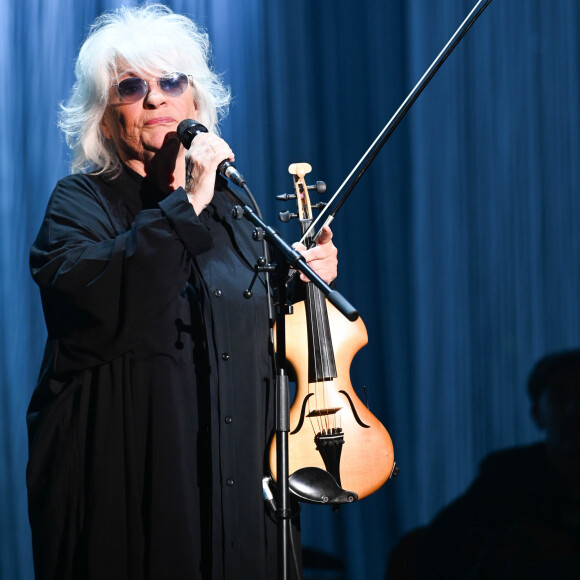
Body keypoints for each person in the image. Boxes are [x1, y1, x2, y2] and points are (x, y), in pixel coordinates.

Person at [26, 4, 338, 580]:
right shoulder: (79, 204)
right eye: (131, 87)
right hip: (135, 489)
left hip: (239, 485)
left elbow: (257, 334)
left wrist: (299, 285)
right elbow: (102, 303)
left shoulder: (234, 215)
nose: (155, 99)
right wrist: (187, 203)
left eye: (172, 82)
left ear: (196, 102)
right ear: (102, 116)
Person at [386, 349, 580, 579]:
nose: (574, 410)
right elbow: (434, 548)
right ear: (537, 414)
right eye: (560, 397)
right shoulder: (508, 476)